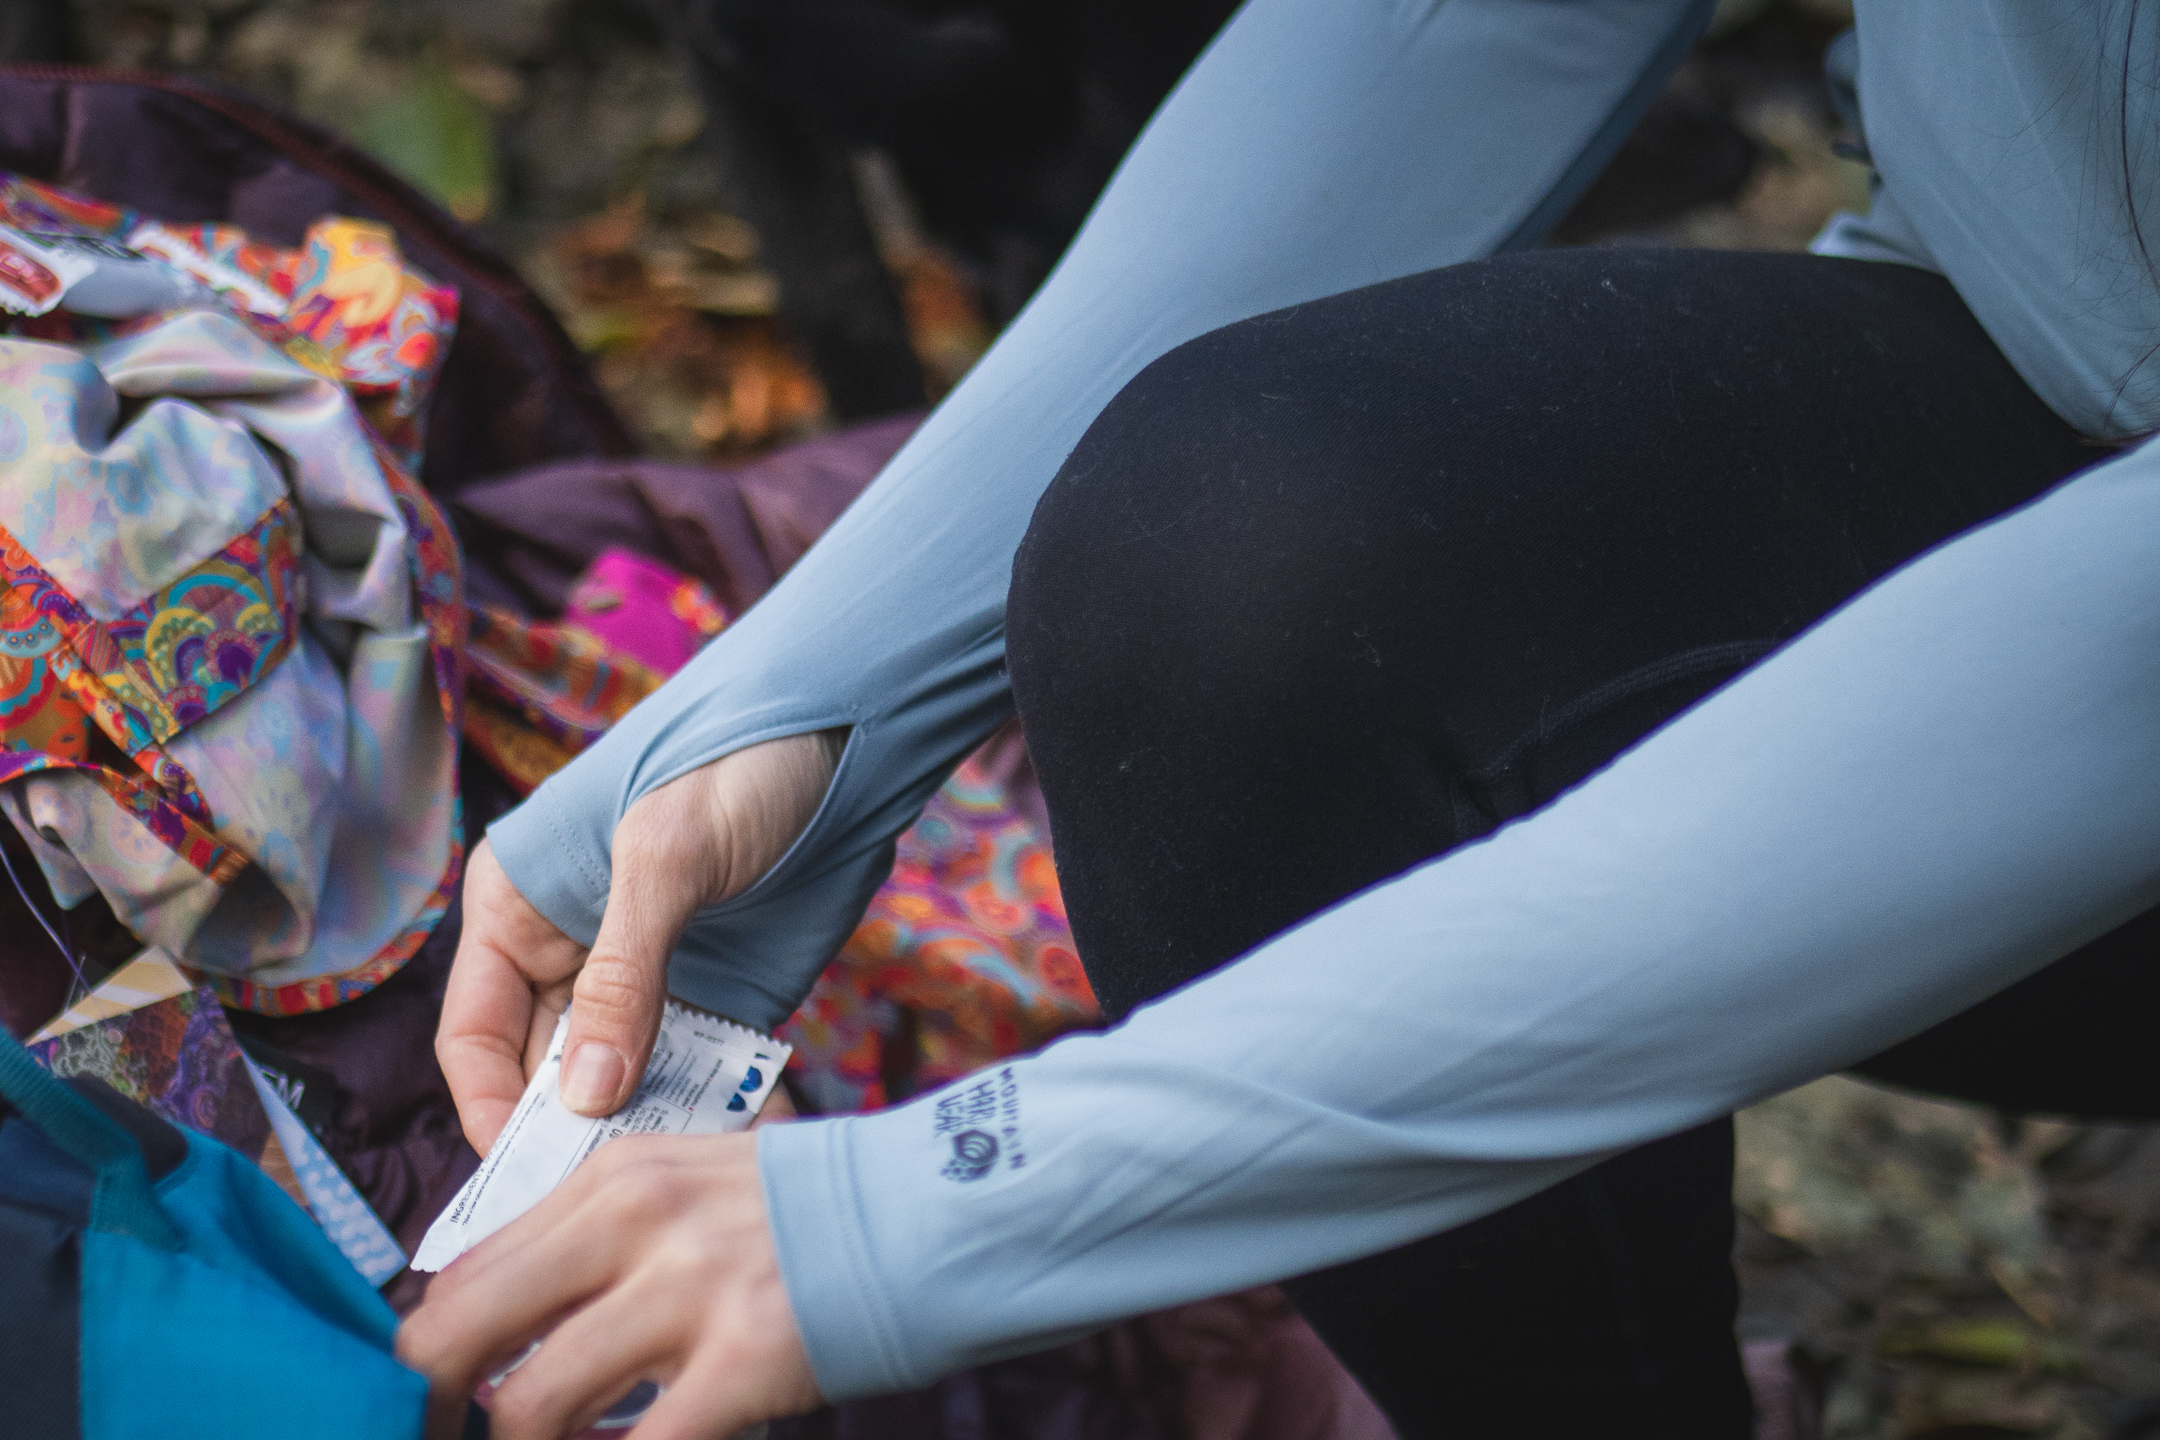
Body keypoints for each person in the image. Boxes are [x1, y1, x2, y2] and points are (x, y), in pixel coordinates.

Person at [398, 2, 2160, 1437]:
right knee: (1225, 565)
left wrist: (931, 1212)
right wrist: (810, 710)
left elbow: (2105, 674)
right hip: (2026, 333)